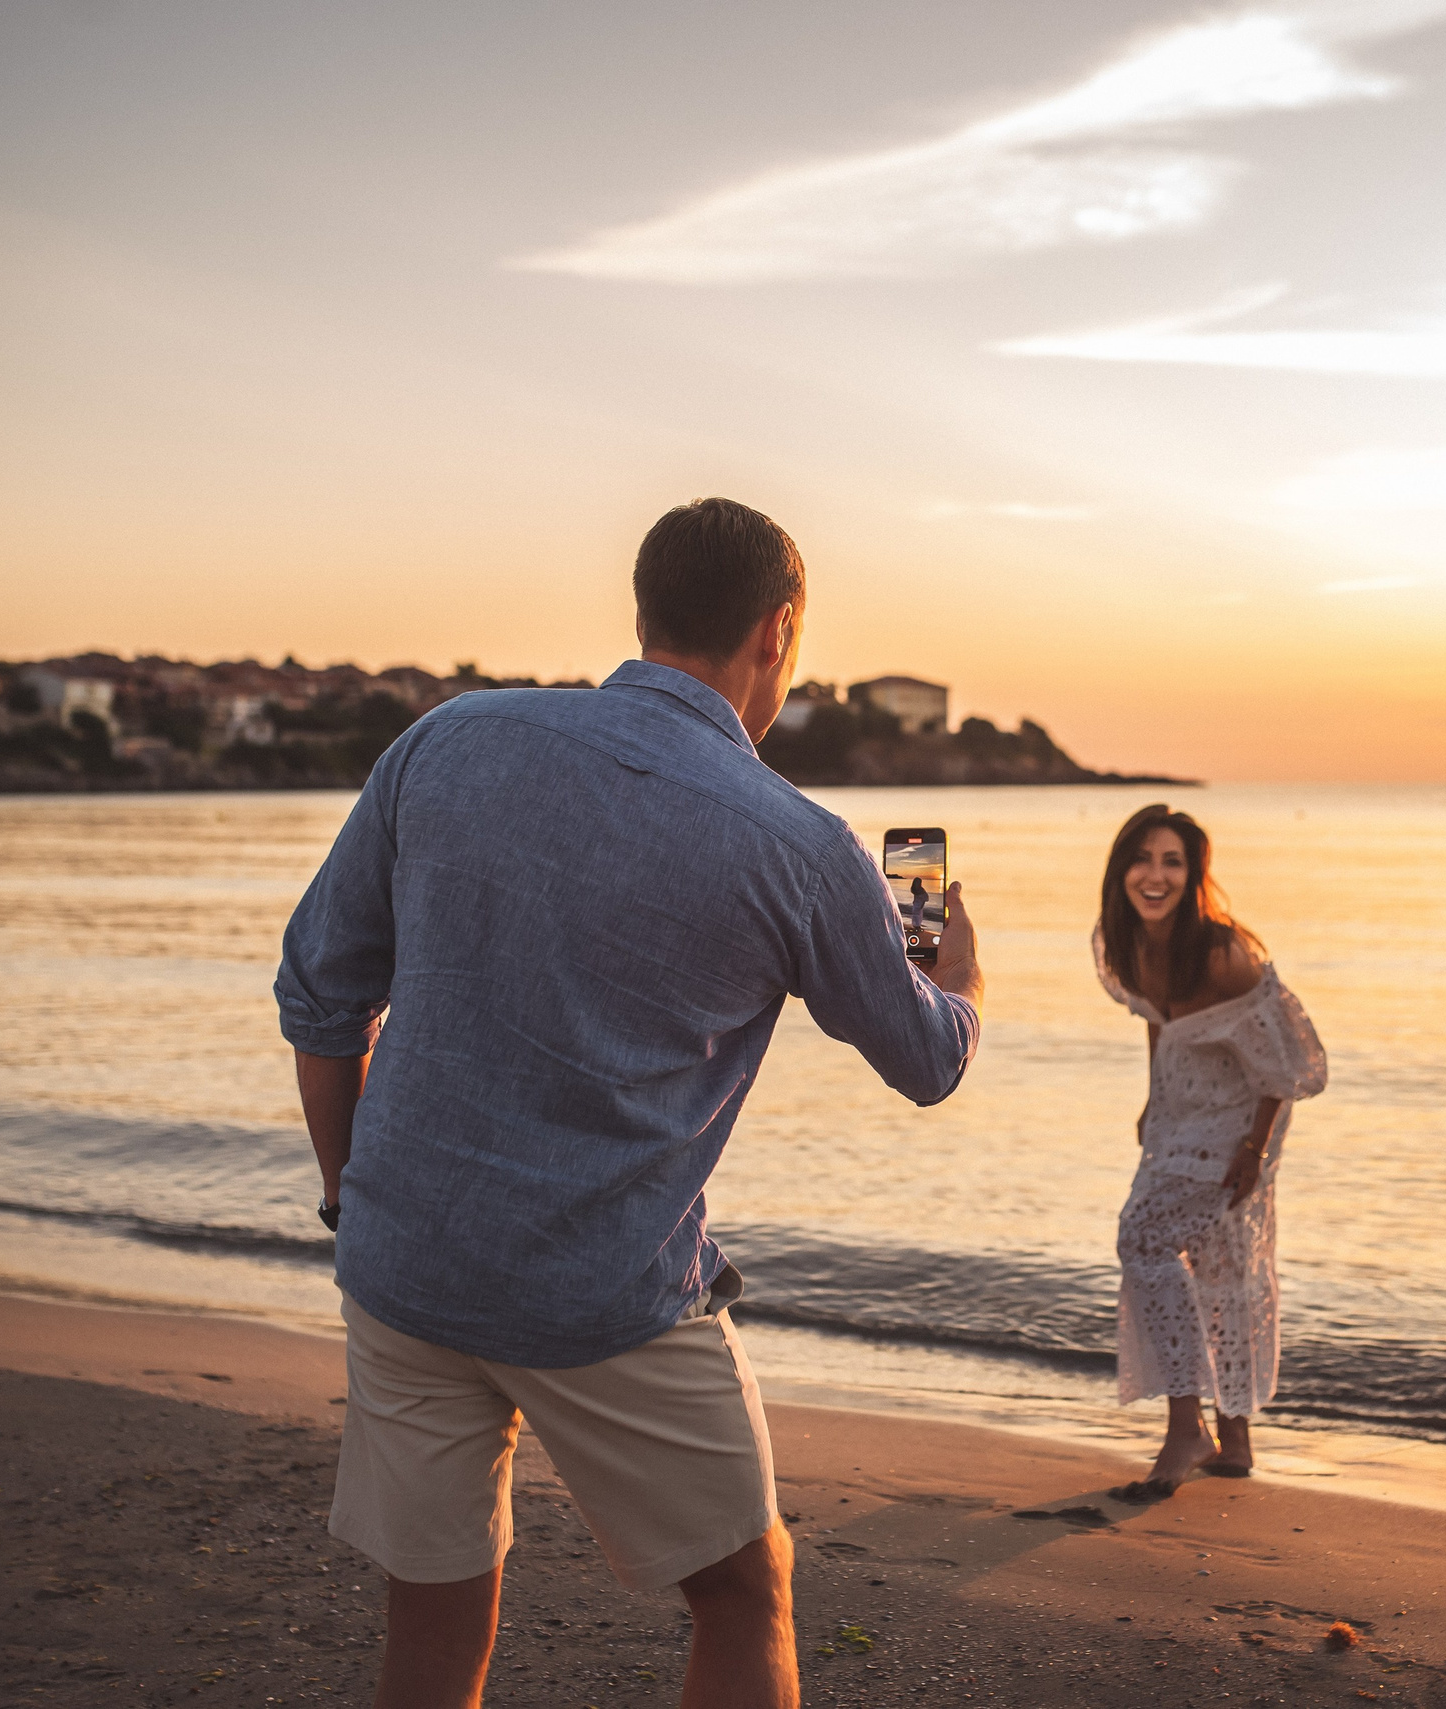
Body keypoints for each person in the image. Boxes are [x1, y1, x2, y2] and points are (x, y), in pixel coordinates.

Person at [274, 497, 983, 1709]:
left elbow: (318, 998)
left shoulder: (448, 740)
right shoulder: (801, 844)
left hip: (405, 1263)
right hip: (603, 1289)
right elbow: (929, 1061)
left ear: (645, 610)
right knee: (743, 1588)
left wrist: (351, 1193)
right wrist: (955, 963)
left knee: (436, 1603)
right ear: (778, 629)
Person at [1093, 803, 1323, 1501]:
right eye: (1143, 858)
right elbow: (1160, 1023)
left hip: (1244, 1117)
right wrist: (1153, 1097)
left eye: (1173, 862)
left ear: (1193, 875)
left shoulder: (1224, 956)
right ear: (1121, 868)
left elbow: (1285, 1066)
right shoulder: (1125, 942)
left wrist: (1254, 1147)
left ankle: (1185, 1425)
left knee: (1143, 1239)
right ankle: (1236, 1440)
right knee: (1216, 1263)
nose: (1155, 875)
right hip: (1181, 1110)